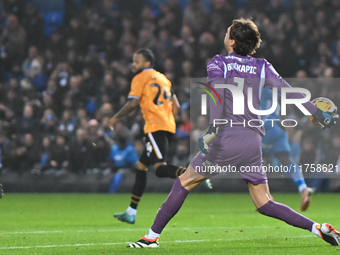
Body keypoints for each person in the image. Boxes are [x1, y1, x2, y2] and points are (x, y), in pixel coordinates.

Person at [127, 18, 340, 248]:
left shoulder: (219, 63)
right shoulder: (262, 66)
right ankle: (317, 228)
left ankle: (150, 237)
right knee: (264, 202)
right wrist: (316, 112)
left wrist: (212, 130)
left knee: (184, 182)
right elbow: (289, 92)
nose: (225, 34)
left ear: (232, 41)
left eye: (228, 31)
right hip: (252, 142)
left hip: (226, 138)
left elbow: (217, 96)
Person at [109, 48, 190, 224]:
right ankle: (131, 212)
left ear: (147, 63)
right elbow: (176, 106)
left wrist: (116, 116)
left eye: (136, 61)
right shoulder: (163, 79)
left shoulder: (140, 77)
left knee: (160, 169)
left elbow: (133, 103)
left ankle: (192, 174)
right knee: (140, 167)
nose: (133, 64)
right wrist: (169, 119)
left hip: (155, 127)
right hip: (166, 126)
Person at [261, 87, 314, 211]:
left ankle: (265, 196)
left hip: (264, 128)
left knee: (254, 162)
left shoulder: (258, 89)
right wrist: (283, 120)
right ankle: (303, 187)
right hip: (278, 130)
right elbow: (284, 99)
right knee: (287, 161)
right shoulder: (271, 88)